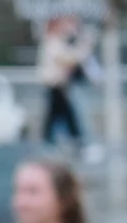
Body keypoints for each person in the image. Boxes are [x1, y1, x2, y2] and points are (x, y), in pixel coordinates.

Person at [39, 16, 96, 151]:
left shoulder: (58, 42)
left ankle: (63, 143)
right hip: (55, 85)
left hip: (61, 85)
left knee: (60, 116)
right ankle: (66, 144)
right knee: (59, 116)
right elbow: (66, 59)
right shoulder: (52, 42)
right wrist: (84, 50)